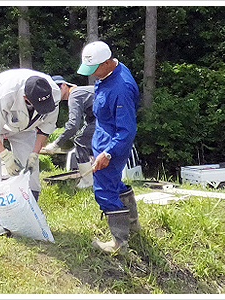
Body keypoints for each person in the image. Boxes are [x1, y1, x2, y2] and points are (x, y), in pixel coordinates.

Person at [0, 69, 60, 235]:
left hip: (25, 126)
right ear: (25, 98)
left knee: (31, 169)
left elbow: (46, 126)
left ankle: (30, 212)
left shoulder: (52, 92)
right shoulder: (6, 94)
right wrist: (4, 155)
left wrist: (34, 153)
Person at [76, 41, 140, 253]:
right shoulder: (108, 74)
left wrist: (108, 153)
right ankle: (133, 224)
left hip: (113, 145)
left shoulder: (121, 88)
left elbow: (127, 130)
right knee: (114, 184)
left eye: (94, 69)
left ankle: (119, 243)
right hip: (103, 139)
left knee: (104, 190)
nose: (92, 74)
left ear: (106, 63)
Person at [43, 75, 95, 188]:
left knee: (80, 141)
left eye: (56, 91)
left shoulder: (75, 95)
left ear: (64, 85)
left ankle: (88, 181)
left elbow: (73, 126)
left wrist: (56, 144)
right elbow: (89, 118)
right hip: (108, 117)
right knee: (92, 143)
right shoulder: (80, 92)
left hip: (106, 119)